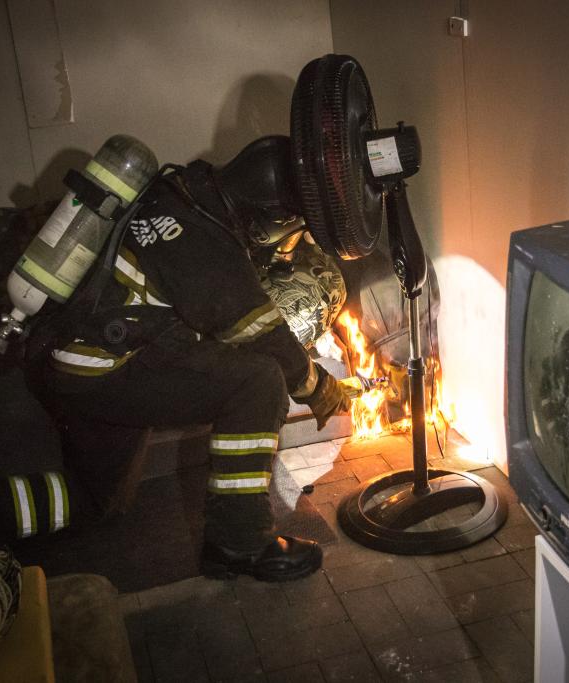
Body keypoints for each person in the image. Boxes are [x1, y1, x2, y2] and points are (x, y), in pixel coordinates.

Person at [41, 135, 352, 582]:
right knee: (257, 381)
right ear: (270, 218)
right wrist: (319, 388)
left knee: (95, 500)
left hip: (71, 354)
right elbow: (261, 333)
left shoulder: (180, 192)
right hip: (107, 368)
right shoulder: (201, 240)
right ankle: (239, 542)